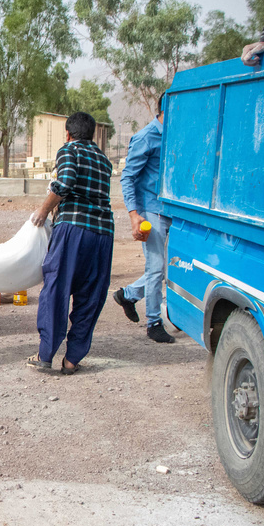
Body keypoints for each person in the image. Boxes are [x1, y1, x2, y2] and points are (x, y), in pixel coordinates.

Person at [25, 112, 114, 375]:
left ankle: (45, 354)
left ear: (68, 134)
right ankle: (72, 358)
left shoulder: (69, 150)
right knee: (91, 294)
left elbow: (64, 183)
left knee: (57, 286)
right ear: (94, 134)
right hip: (103, 234)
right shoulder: (104, 160)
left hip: (73, 228)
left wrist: (43, 211)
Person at [113, 96, 175, 344]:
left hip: (172, 210)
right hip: (150, 210)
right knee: (156, 266)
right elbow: (127, 178)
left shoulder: (176, 135)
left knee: (168, 268)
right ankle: (154, 323)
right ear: (165, 109)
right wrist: (134, 215)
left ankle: (128, 294)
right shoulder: (146, 137)